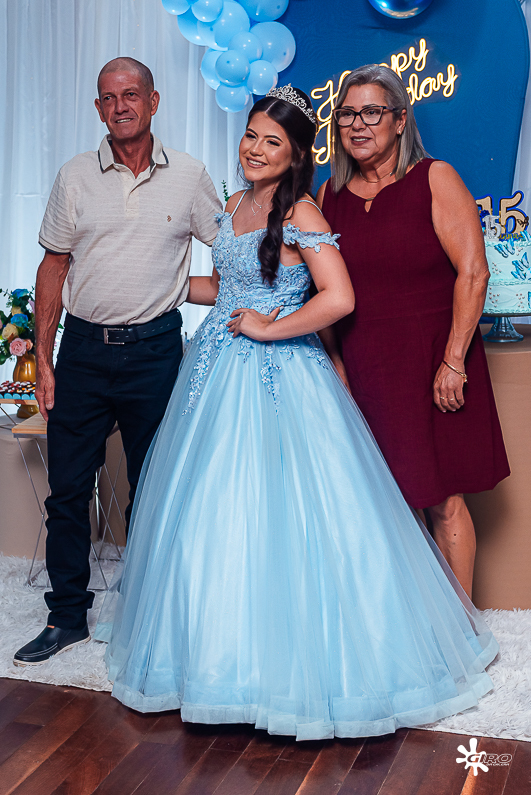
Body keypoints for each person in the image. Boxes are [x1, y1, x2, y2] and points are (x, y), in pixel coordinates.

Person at [96, 85, 498, 740]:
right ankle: (213, 659)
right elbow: (229, 284)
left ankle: (306, 664)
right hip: (215, 370)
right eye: (250, 135)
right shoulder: (233, 203)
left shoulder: (303, 210)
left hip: (280, 368)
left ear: (296, 154)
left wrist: (268, 327)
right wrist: (154, 283)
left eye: (272, 141)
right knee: (213, 507)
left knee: (296, 511)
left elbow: (338, 296)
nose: (255, 149)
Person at [13, 57, 222, 667]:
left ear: (153, 101)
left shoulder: (190, 175)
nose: (120, 106)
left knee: (153, 488)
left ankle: (151, 613)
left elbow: (231, 251)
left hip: (156, 353)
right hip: (81, 352)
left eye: (131, 94)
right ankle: (65, 617)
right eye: (108, 97)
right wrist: (44, 360)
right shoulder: (74, 176)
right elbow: (53, 268)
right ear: (98, 108)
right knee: (67, 491)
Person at [317, 64, 510, 599]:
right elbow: (320, 292)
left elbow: (474, 273)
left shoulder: (434, 178)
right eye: (347, 114)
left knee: (443, 499)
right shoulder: (330, 195)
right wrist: (337, 367)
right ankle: (416, 625)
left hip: (433, 363)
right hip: (366, 369)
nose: (358, 125)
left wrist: (453, 361)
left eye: (372, 112)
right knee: (388, 502)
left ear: (400, 120)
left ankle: (462, 626)